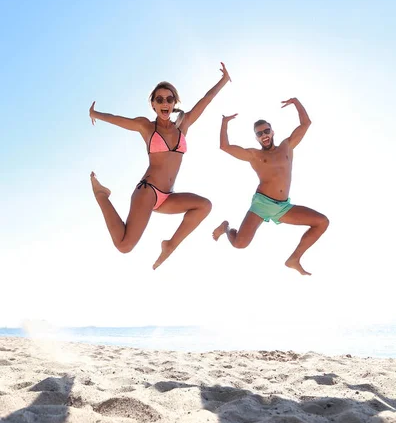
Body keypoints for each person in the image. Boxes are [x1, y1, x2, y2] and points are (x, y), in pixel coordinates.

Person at [90, 63, 231, 269]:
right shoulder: (146, 127)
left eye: (169, 99)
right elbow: (117, 119)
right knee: (124, 245)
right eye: (159, 99)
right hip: (148, 192)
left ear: (174, 103)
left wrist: (224, 80)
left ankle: (170, 245)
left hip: (167, 197)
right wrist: (95, 114)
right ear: (153, 105)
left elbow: (206, 100)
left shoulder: (183, 125)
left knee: (204, 206)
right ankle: (102, 195)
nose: (165, 103)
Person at [212, 98, 329, 275]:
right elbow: (224, 146)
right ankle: (226, 227)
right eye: (259, 133)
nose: (264, 135)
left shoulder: (287, 146)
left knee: (322, 222)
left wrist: (296, 102)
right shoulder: (254, 155)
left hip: (283, 207)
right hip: (262, 204)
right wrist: (224, 123)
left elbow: (306, 123)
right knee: (239, 244)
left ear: (272, 132)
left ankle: (294, 259)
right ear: (256, 137)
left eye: (266, 131)